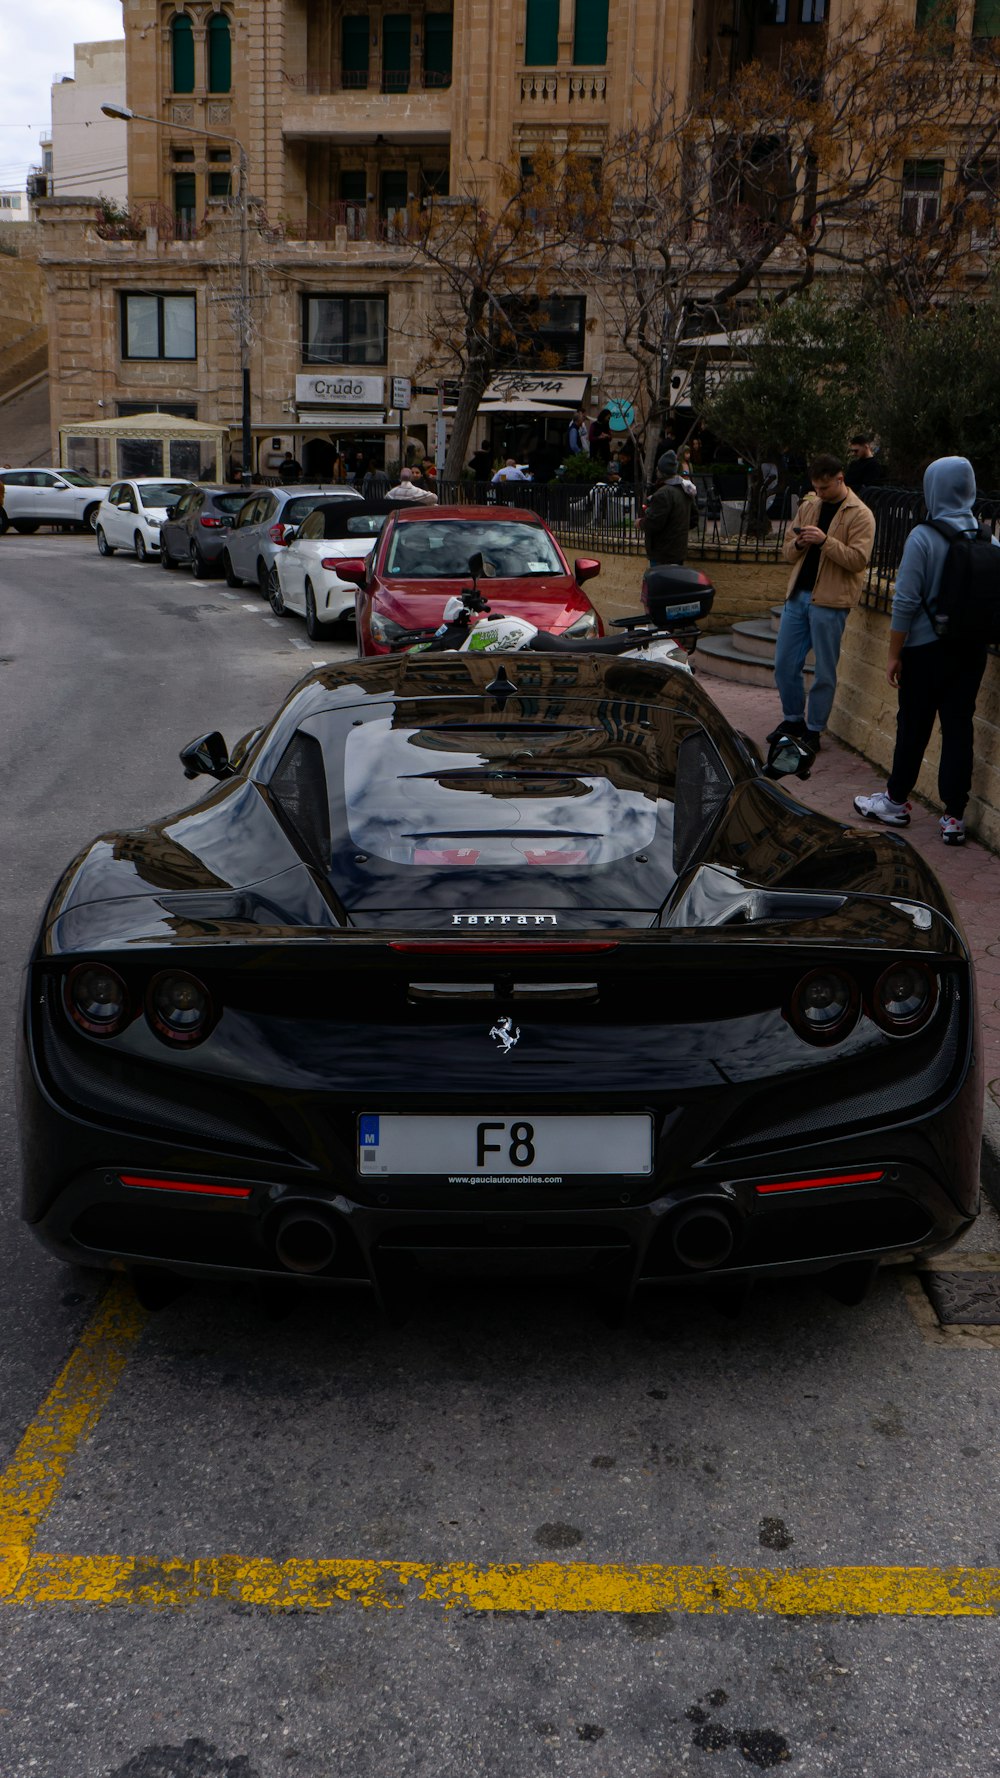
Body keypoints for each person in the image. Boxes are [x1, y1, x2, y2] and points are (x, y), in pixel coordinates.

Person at [853, 455, 995, 846]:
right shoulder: (989, 538)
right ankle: (953, 817)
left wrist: (893, 654)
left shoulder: (923, 536)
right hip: (972, 650)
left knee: (914, 727)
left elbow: (905, 602)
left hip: (925, 651)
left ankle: (896, 801)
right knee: (958, 729)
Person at [769, 453, 876, 757]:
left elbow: (858, 560)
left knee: (824, 672)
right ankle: (793, 721)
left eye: (825, 487)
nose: (819, 493)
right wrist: (800, 543)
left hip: (831, 602)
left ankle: (814, 730)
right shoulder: (810, 505)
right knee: (784, 665)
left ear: (840, 479)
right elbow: (787, 552)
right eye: (816, 487)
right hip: (798, 596)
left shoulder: (861, 514)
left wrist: (825, 541)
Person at [636, 450, 694, 566]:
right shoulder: (685, 490)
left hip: (662, 554)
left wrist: (640, 523)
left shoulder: (663, 494)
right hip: (678, 551)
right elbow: (694, 518)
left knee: (658, 582)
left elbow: (654, 523)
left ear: (661, 471)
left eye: (658, 468)